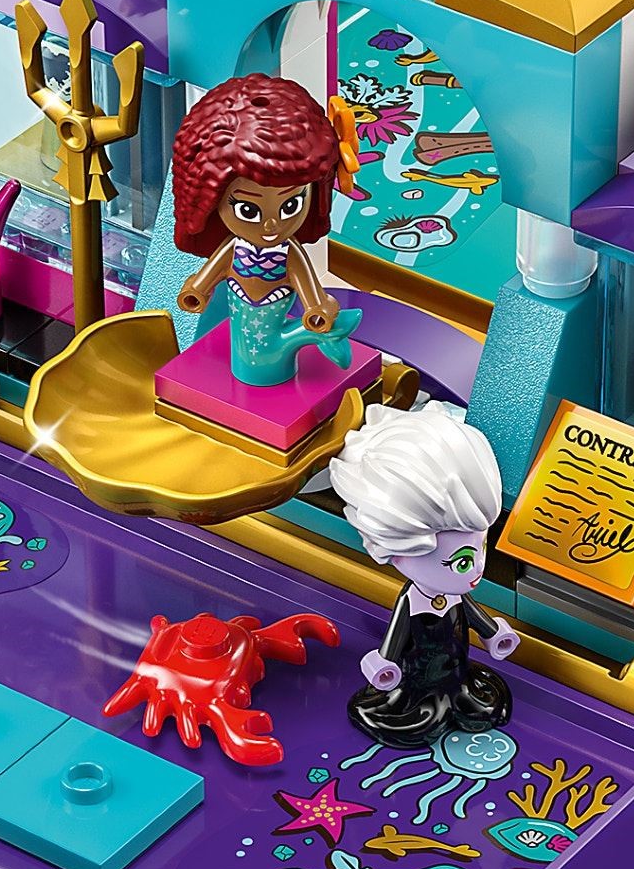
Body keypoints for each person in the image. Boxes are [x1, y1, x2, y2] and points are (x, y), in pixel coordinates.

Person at [329, 403, 521, 749]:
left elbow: (472, 613)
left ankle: (455, 693)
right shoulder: (412, 600)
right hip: (418, 679)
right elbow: (396, 636)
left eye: (482, 548)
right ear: (397, 550)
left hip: (457, 673)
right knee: (416, 714)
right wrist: (386, 664)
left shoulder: (455, 593)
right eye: (462, 562)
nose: (479, 569)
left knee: (471, 699)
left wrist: (493, 635)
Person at [172, 74, 365, 385]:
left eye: (291, 205)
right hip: (242, 310)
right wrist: (198, 289)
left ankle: (287, 357)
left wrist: (316, 308)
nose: (272, 225)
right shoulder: (234, 247)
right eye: (248, 210)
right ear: (211, 202)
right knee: (252, 354)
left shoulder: (288, 253)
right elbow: (210, 273)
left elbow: (308, 287)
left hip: (274, 309)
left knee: (267, 355)